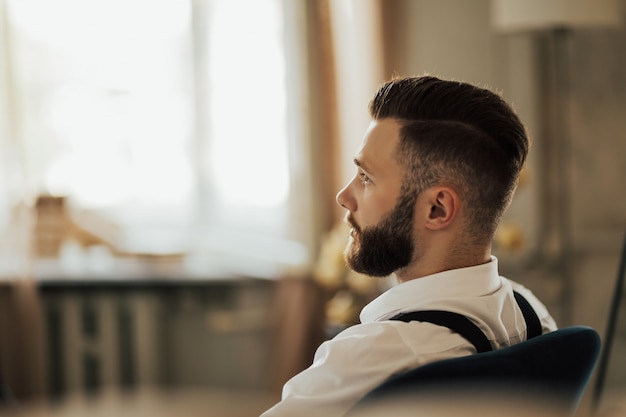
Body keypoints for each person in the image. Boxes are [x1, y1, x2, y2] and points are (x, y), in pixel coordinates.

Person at [260, 75, 557, 417]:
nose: (344, 196)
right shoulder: (535, 317)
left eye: (366, 178)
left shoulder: (371, 358)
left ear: (438, 209)